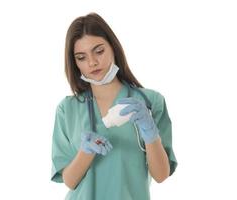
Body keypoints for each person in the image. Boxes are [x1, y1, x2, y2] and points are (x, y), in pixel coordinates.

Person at [51, 12, 178, 200]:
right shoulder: (67, 109)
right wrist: (84, 153)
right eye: (81, 57)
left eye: (99, 51)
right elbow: (69, 181)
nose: (92, 62)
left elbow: (161, 175)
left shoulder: (151, 102)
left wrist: (151, 133)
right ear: (75, 63)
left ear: (113, 47)